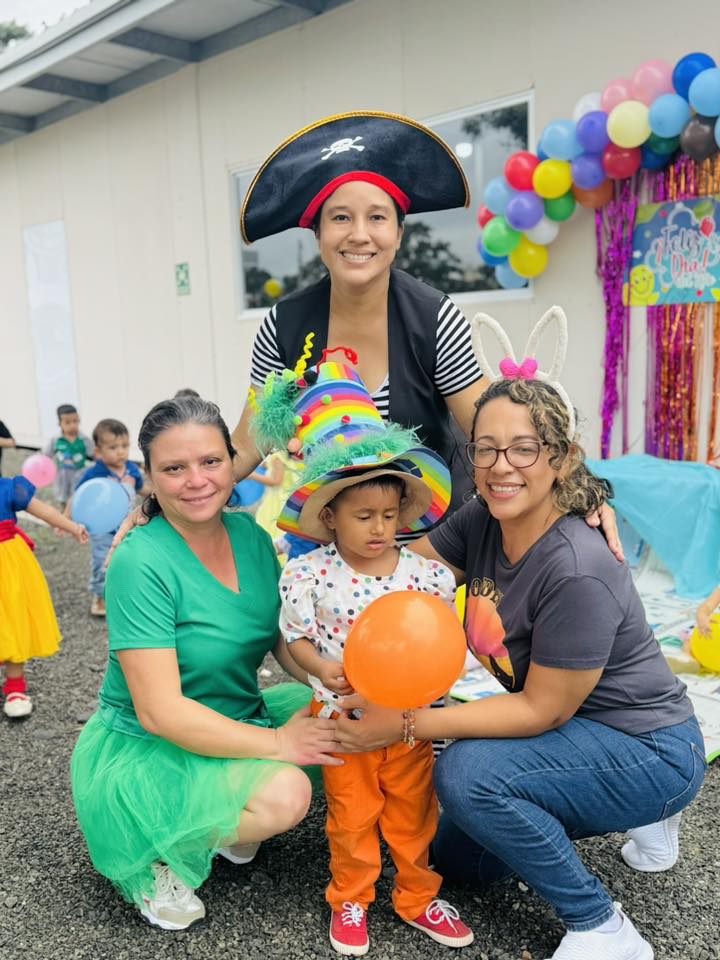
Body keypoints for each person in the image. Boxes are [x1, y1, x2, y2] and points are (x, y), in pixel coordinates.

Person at [333, 308, 705, 960]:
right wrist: (332, 519)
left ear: (560, 459)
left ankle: (603, 927)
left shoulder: (577, 568)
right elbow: (399, 575)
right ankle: (624, 811)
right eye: (486, 447)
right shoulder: (482, 518)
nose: (501, 465)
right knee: (462, 865)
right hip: (577, 732)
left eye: (524, 448)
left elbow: (539, 711)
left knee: (469, 775)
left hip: (647, 746)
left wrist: (406, 724)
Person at [70, 396, 342, 931]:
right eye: (174, 468)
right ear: (149, 477)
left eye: (211, 461)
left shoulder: (252, 537)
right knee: (288, 794)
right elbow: (161, 712)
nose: (196, 481)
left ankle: (221, 815)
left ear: (233, 462)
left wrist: (328, 677)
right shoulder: (139, 561)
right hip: (153, 745)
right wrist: (280, 744)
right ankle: (153, 843)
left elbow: (277, 639)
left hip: (236, 717)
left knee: (342, 722)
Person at [252, 353, 473, 955]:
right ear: (329, 516)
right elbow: (296, 637)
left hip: (408, 720)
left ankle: (418, 895)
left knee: (413, 813)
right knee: (351, 815)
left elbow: (436, 639)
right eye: (364, 515)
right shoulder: (311, 576)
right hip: (343, 720)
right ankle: (350, 897)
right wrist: (319, 667)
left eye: (389, 514)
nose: (379, 528)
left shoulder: (424, 576)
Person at [233, 112, 485, 519]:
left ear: (399, 234)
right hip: (335, 534)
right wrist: (171, 493)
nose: (359, 235)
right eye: (340, 217)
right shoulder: (282, 326)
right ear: (318, 234)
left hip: (438, 534)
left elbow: (487, 430)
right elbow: (247, 444)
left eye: (377, 217)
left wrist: (571, 487)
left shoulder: (436, 318)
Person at [0, 474, 88, 717]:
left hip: (7, 566)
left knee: (12, 621)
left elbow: (45, 510)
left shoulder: (8, 488)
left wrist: (72, 527)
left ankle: (15, 686)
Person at [69, 418, 150, 617]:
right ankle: (100, 596)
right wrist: (65, 519)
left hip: (128, 526)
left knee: (129, 559)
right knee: (102, 562)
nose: (120, 452)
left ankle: (125, 592)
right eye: (113, 447)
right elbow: (77, 496)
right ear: (98, 451)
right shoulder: (95, 472)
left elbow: (143, 490)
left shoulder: (132, 469)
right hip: (102, 530)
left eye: (124, 446)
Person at [43, 404, 93, 508]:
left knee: (79, 504)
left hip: (79, 479)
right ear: (60, 424)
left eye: (75, 421)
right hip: (62, 480)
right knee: (63, 506)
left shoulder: (84, 440)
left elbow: (93, 455)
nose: (72, 425)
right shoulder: (56, 440)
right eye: (67, 422)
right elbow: (45, 455)